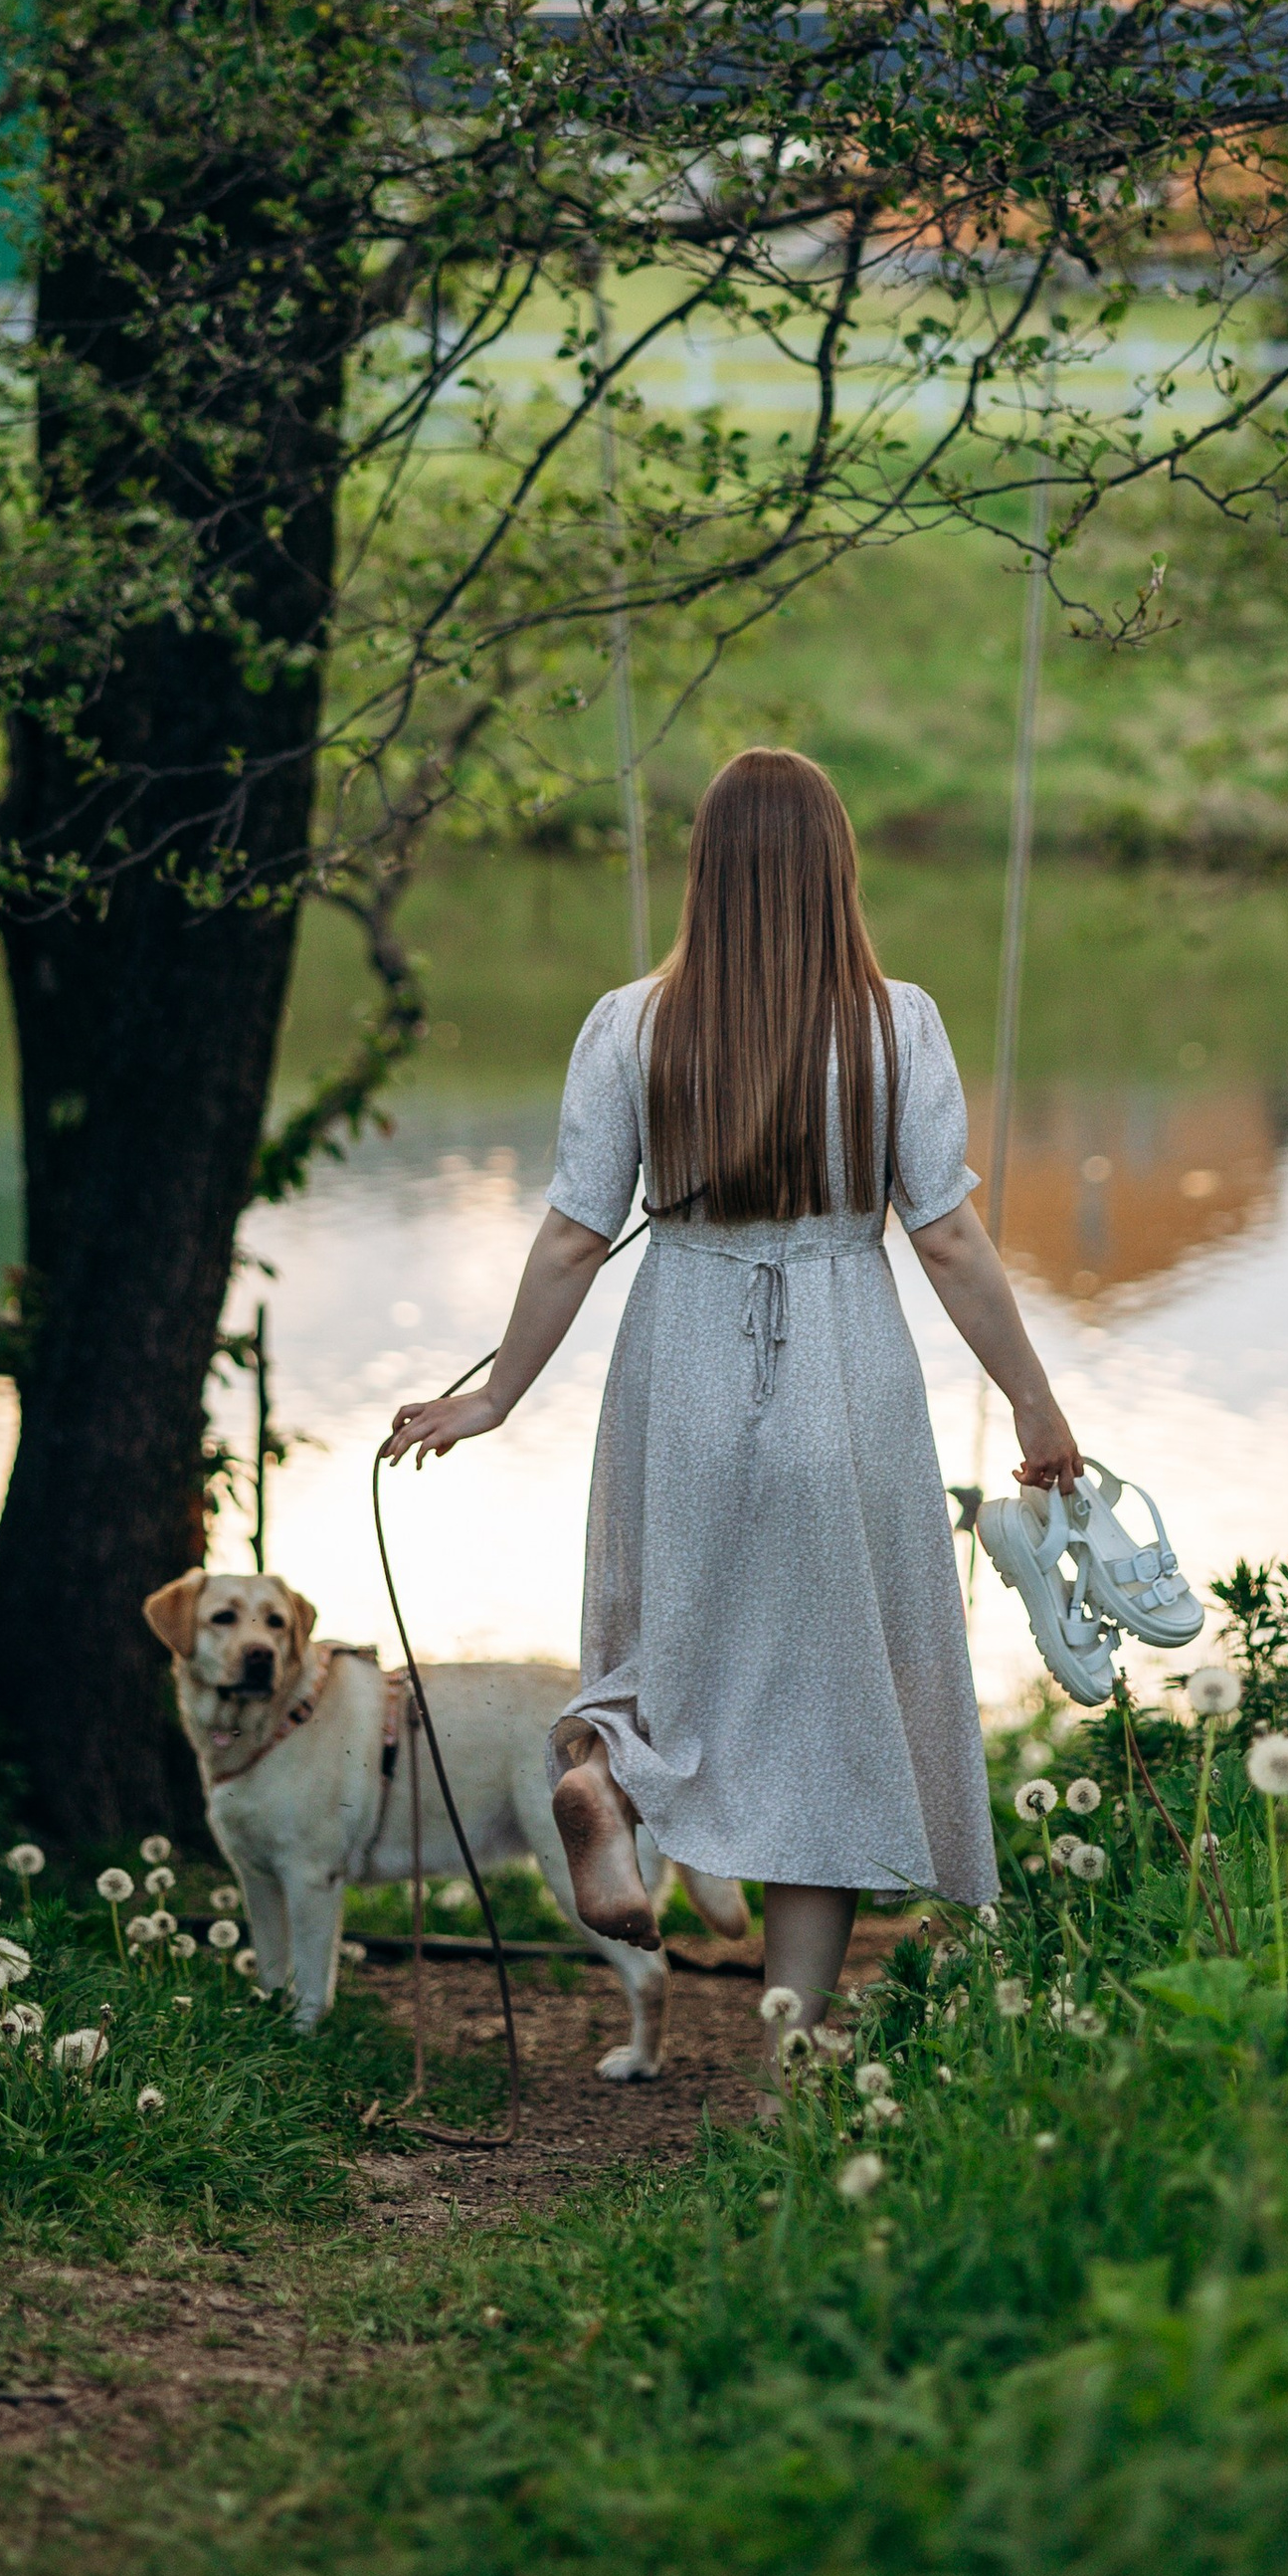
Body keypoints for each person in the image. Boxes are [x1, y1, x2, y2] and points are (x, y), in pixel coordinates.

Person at [383, 744, 1081, 2049]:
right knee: (823, 1702)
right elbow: (946, 1241)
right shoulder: (898, 1026)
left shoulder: (629, 1025)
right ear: (837, 873)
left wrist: (491, 1403)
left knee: (663, 1652)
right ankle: (789, 2039)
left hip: (682, 1367)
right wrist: (1035, 1407)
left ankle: (608, 1779)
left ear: (703, 870)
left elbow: (572, 1237)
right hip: (846, 1371)